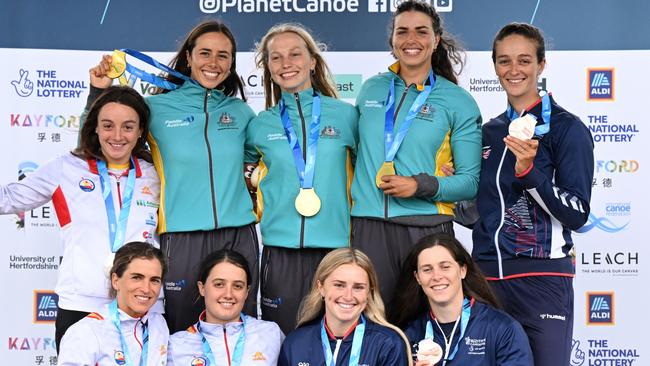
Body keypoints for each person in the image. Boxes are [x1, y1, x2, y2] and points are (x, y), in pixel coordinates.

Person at [87, 20, 259, 332]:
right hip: (181, 237)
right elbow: (102, 141)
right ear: (189, 57)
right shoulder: (156, 109)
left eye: (224, 55)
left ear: (232, 63)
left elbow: (253, 165)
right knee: (181, 330)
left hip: (239, 234)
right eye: (205, 53)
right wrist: (98, 92)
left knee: (238, 329)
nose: (213, 63)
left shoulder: (241, 113)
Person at [0, 86, 161, 350]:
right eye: (108, 125)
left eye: (128, 127)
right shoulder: (66, 167)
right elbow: (8, 198)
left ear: (141, 130)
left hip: (141, 306)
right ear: (95, 127)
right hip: (81, 304)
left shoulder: (155, 174)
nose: (117, 136)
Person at [471, 23, 594, 366]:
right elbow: (481, 214)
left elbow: (577, 212)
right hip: (485, 281)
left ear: (541, 65)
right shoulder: (489, 131)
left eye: (524, 60)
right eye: (504, 61)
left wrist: (529, 172)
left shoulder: (567, 129)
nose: (514, 70)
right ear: (494, 65)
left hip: (541, 279)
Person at [350, 0, 482, 309]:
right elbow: (355, 156)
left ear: (436, 39)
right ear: (392, 40)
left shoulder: (457, 100)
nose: (411, 40)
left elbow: (469, 182)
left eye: (421, 31)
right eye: (402, 31)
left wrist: (421, 185)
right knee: (373, 325)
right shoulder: (371, 89)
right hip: (368, 227)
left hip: (426, 228)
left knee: (426, 328)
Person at [247, 23, 358, 333]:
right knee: (282, 338)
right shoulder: (259, 125)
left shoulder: (346, 116)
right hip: (279, 252)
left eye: (295, 54)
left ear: (312, 61)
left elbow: (373, 171)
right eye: (276, 57)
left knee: (335, 339)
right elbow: (238, 174)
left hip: (334, 250)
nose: (286, 64)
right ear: (267, 67)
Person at [390, 233, 533, 365]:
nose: (437, 276)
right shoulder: (409, 335)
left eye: (445, 267)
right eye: (427, 269)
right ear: (418, 278)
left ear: (463, 270)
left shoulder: (503, 329)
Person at [279, 248, 411, 365]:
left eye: (358, 287)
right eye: (339, 285)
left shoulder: (388, 344)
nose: (348, 296)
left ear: (369, 292)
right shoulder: (295, 343)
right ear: (321, 288)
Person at [58, 241, 169, 365]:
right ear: (115, 281)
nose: (146, 289)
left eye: (154, 280)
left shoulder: (159, 324)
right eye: (137, 277)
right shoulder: (85, 332)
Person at [167, 249, 283, 365]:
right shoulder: (176, 345)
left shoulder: (271, 334)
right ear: (202, 288)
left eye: (237, 286)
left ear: (246, 292)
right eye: (219, 284)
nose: (228, 294)